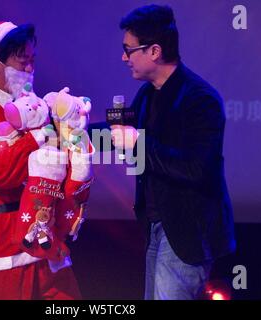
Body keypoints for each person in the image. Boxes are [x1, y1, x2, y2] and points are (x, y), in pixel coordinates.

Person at [110, 4, 236, 300]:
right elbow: (119, 135)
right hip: (157, 226)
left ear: (154, 51)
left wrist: (137, 144)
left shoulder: (200, 100)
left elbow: (197, 167)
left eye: (128, 50)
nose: (123, 57)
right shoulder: (147, 93)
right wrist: (70, 132)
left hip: (186, 233)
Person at [0, 21, 82, 300]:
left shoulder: (36, 108)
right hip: (5, 240)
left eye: (32, 60)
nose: (29, 69)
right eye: (22, 60)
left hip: (46, 230)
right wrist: (36, 137)